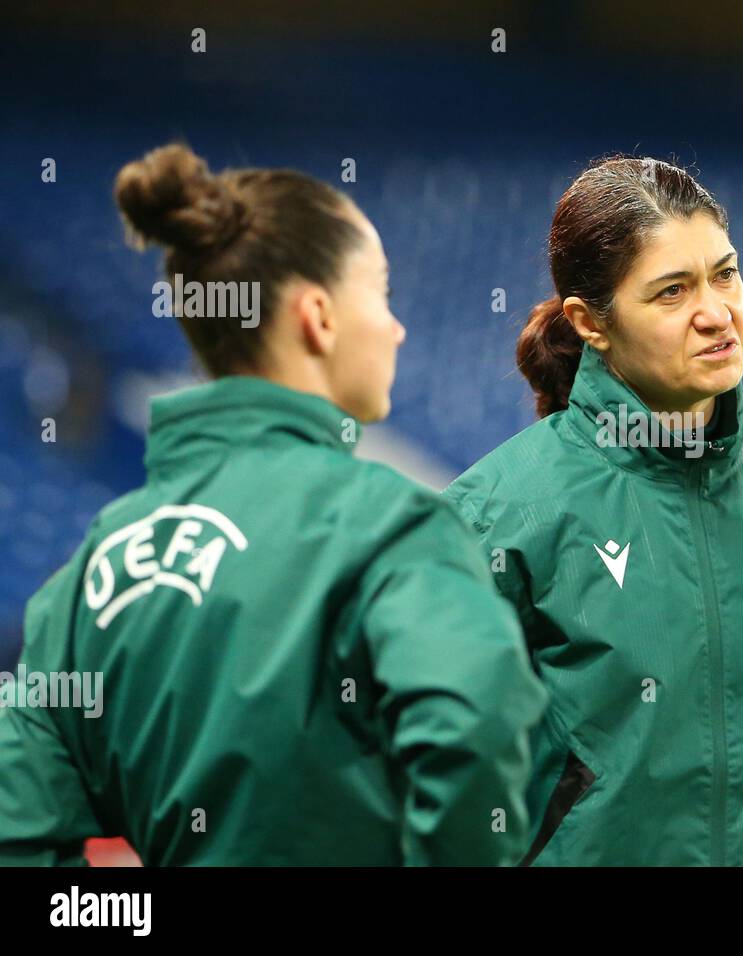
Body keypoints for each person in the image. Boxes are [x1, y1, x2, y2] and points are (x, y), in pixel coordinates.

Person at [0, 144, 546, 866]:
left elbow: (21, 826)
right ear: (317, 317)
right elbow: (475, 733)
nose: (396, 328)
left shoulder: (92, 569)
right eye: (381, 296)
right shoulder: (391, 525)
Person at [444, 155, 743, 866]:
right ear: (590, 322)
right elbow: (436, 781)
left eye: (725, 273)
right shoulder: (497, 513)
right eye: (671, 292)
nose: (717, 313)